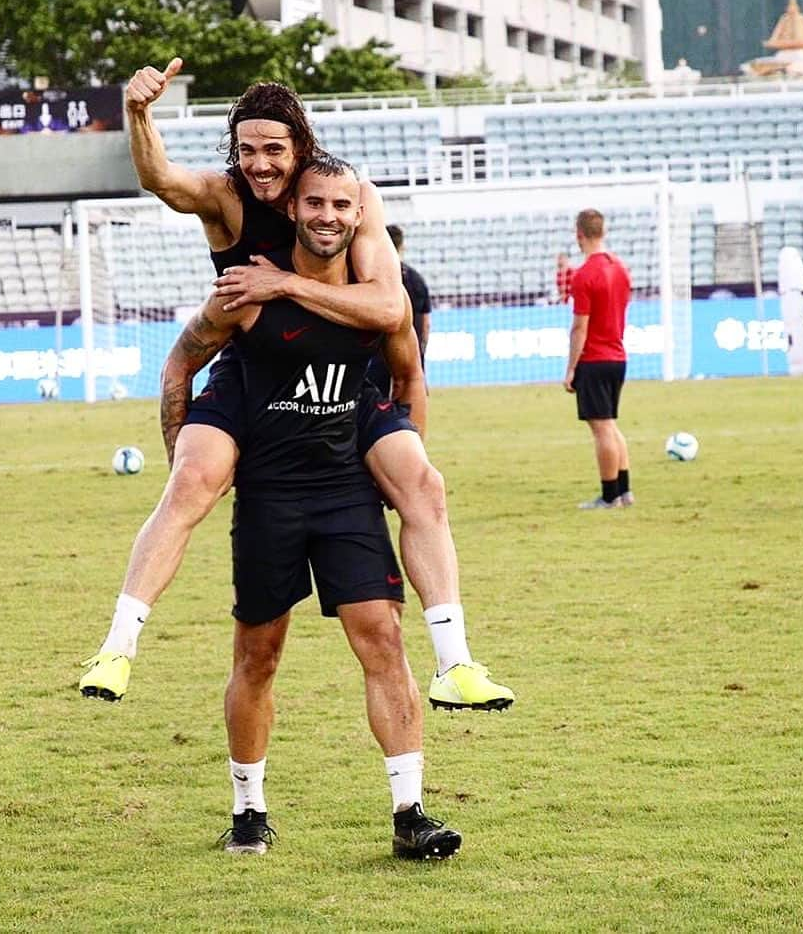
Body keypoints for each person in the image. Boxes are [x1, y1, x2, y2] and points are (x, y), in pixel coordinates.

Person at [80, 61, 512, 712]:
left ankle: (454, 665)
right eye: (248, 150)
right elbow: (162, 180)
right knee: (193, 482)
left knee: (423, 482)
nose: (260, 164)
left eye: (274, 150)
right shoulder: (226, 198)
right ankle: (117, 647)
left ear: (301, 148)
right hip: (254, 372)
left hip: (344, 375)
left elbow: (389, 308)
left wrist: (282, 283)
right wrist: (138, 114)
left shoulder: (346, 195)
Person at [183, 155, 462, 859]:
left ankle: (411, 813)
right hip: (272, 491)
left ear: (359, 212)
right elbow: (187, 358)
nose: (329, 216)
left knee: (384, 641)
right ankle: (249, 810)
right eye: (315, 205)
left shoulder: (378, 290)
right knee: (258, 655)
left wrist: (401, 456)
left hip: (344, 490)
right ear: (294, 212)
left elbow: (405, 363)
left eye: (343, 206)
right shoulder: (250, 291)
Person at [563, 209, 634, 510]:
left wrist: (571, 368)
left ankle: (609, 496)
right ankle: (624, 490)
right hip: (618, 355)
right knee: (611, 425)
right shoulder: (620, 268)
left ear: (579, 235)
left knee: (601, 428)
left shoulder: (584, 275)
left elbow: (581, 326)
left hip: (595, 357)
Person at [366, 224, 431, 398]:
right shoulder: (416, 278)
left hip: (382, 349)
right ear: (402, 246)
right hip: (412, 349)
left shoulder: (372, 277)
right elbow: (426, 322)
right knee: (411, 393)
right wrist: (422, 346)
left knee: (375, 400)